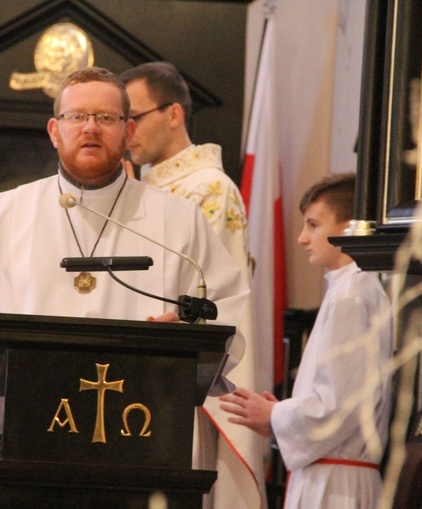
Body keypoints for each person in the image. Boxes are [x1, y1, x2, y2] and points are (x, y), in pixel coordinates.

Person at [0, 67, 250, 501]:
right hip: (27, 441)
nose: (90, 128)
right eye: (77, 117)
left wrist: (186, 336)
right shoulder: (2, 215)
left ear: (129, 131)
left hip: (144, 447)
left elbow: (226, 305)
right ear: (55, 131)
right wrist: (1, 367)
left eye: (106, 118)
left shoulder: (178, 221)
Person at [120, 61, 266, 509]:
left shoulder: (209, 189)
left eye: (135, 118)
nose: (127, 133)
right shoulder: (132, 188)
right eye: (121, 121)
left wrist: (184, 318)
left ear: (174, 114)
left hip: (178, 380)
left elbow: (218, 295)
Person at [220, 173, 394, 508]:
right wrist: (279, 416)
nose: (302, 238)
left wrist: (275, 415)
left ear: (348, 226)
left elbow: (339, 407)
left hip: (335, 490)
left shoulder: (352, 294)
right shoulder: (349, 288)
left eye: (313, 225)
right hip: (329, 476)